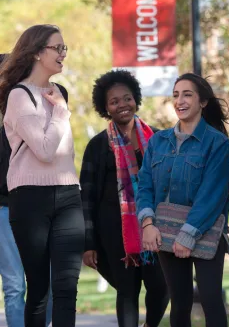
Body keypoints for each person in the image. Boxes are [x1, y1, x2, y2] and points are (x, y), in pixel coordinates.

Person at [0, 25, 85, 327]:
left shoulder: (58, 93)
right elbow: (45, 149)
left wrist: (60, 105)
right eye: (57, 48)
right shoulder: (18, 96)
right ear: (37, 52)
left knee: (67, 288)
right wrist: (61, 111)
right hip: (30, 199)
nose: (63, 54)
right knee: (39, 289)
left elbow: (63, 153)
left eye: (65, 48)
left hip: (68, 196)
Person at [136, 73, 229, 327]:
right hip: (164, 229)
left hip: (205, 229)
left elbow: (213, 193)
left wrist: (188, 234)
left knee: (211, 301)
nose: (180, 100)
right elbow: (144, 185)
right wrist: (147, 223)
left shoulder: (217, 143)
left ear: (202, 102)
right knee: (179, 302)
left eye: (187, 94)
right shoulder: (157, 141)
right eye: (176, 95)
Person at [80, 69, 169, 327]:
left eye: (127, 98)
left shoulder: (158, 139)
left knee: (161, 287)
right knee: (127, 291)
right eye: (114, 101)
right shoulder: (97, 146)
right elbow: (86, 197)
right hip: (114, 232)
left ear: (136, 99)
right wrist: (88, 242)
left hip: (155, 226)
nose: (122, 105)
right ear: (105, 107)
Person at [0, 53, 52, 327]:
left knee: (49, 281)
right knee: (14, 284)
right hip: (3, 209)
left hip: (38, 205)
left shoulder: (32, 110)